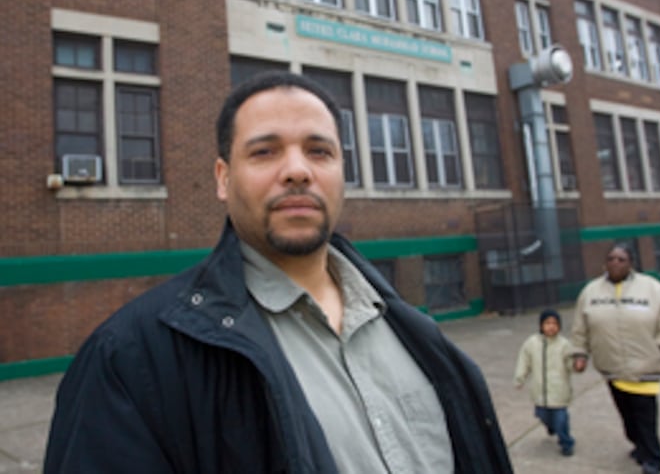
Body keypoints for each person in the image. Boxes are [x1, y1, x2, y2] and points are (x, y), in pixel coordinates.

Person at [43, 71, 513, 474]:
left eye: (319, 151)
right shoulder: (129, 360)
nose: (297, 171)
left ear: (341, 171)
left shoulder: (413, 330)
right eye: (265, 152)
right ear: (223, 179)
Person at [570, 243, 660, 474]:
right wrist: (580, 353)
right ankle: (639, 446)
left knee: (645, 417)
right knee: (627, 416)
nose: (615, 263)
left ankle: (653, 459)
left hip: (645, 368)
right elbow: (580, 328)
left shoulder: (652, 289)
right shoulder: (591, 292)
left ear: (631, 263)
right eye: (611, 258)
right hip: (611, 368)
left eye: (621, 259)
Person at [513, 308, 575, 456]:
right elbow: (524, 361)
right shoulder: (532, 343)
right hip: (539, 391)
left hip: (559, 391)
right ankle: (551, 426)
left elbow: (570, 363)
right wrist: (519, 377)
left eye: (554, 323)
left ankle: (566, 443)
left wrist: (576, 364)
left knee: (561, 419)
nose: (551, 326)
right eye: (547, 323)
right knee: (542, 415)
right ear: (541, 325)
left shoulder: (565, 345)